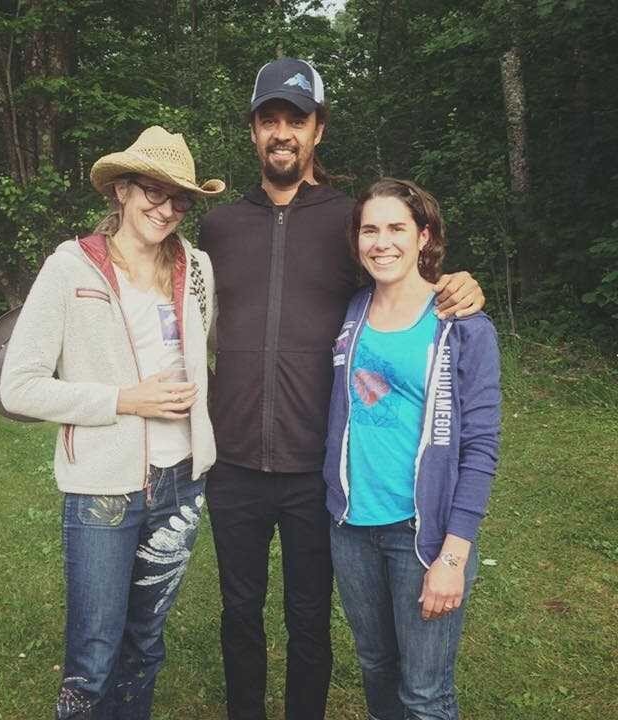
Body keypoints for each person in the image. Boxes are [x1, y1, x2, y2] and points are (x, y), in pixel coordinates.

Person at [198, 57, 486, 720]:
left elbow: (403, 275)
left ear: (317, 130)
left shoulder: (346, 221)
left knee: (309, 620)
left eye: (294, 120)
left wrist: (457, 282)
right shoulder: (219, 228)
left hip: (316, 470)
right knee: (239, 611)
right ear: (252, 133)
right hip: (234, 462)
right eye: (268, 119)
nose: (281, 132)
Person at [0, 126, 225, 720]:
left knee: (145, 646)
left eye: (180, 199)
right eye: (153, 190)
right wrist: (125, 400)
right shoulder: (71, 266)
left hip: (181, 482)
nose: (166, 207)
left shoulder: (196, 268)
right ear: (121, 190)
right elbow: (17, 387)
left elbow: (207, 349)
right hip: (104, 491)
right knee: (94, 658)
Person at [323, 178, 501, 720]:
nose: (383, 242)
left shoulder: (462, 324)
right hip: (352, 527)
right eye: (370, 229)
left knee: (425, 693)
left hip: (421, 536)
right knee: (376, 665)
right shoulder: (352, 310)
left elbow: (481, 446)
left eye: (397, 228)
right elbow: (363, 394)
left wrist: (453, 554)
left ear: (424, 237)